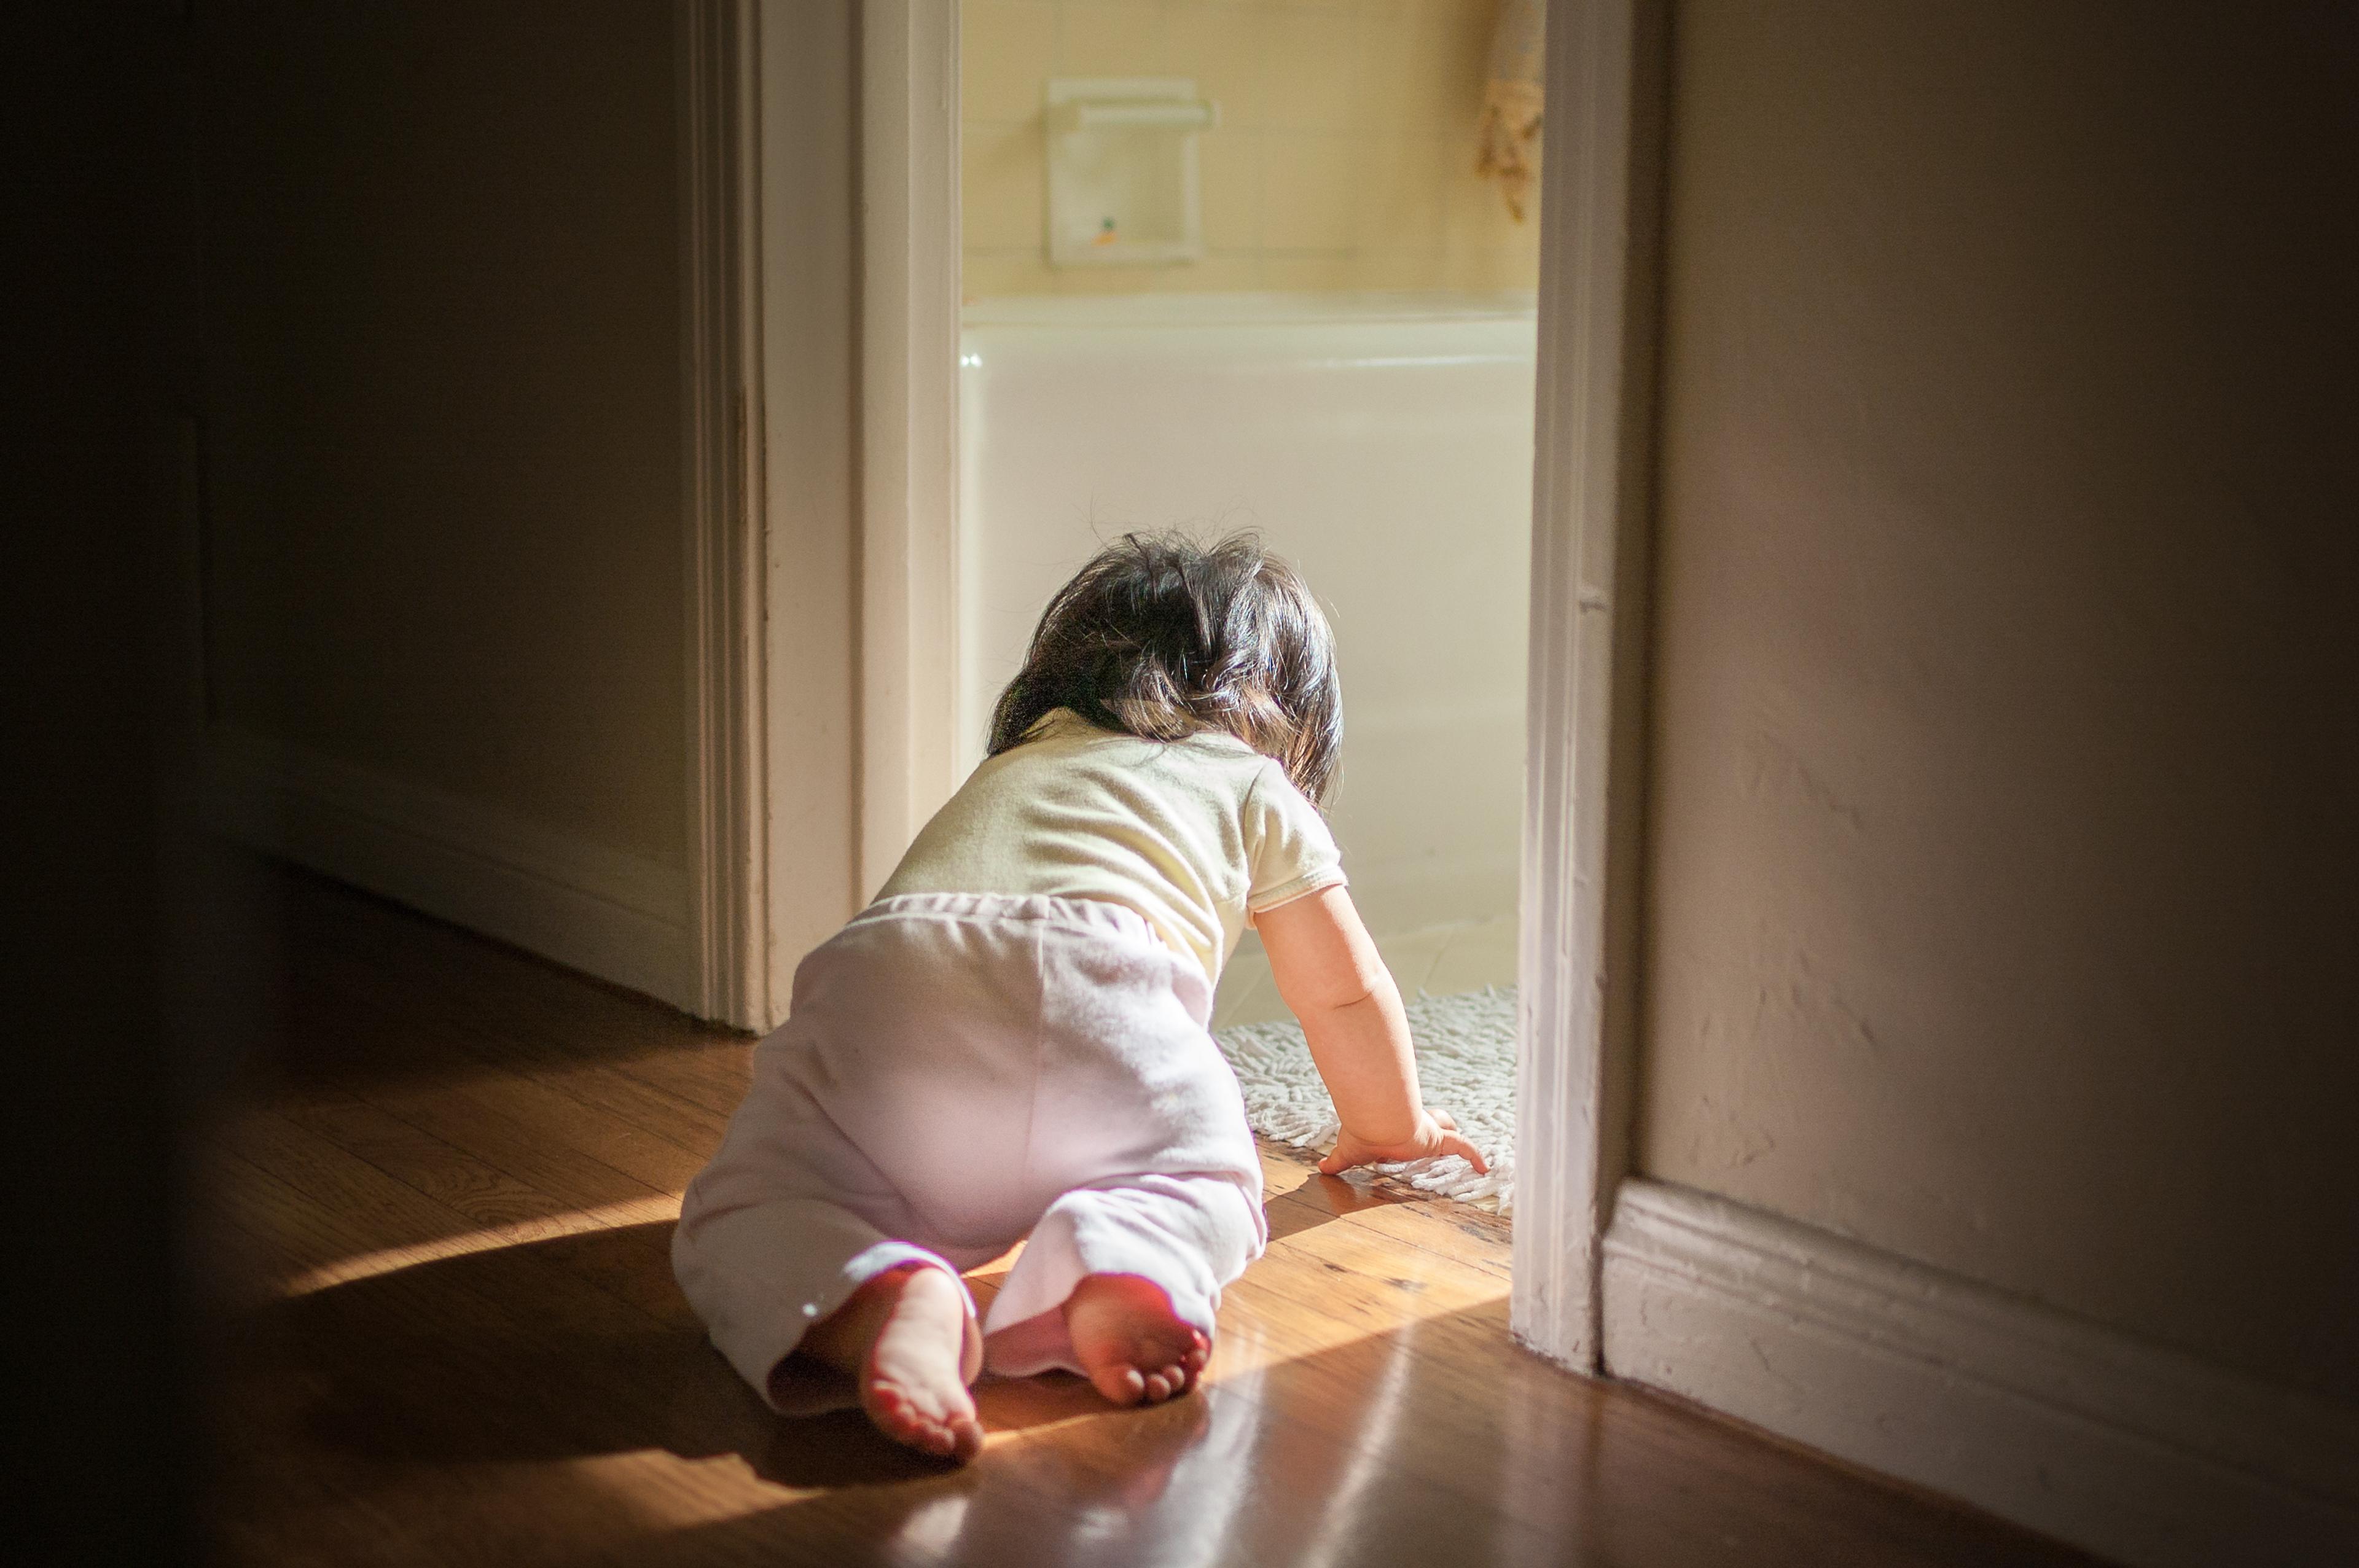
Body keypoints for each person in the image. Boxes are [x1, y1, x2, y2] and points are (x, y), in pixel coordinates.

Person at [673, 532, 1487, 1463]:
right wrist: (1393, 1126)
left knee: (744, 1208)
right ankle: (1125, 1262)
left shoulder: (1018, 763)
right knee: (1208, 1182)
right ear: (1289, 717)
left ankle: (875, 1295)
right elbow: (1345, 994)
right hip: (1110, 1003)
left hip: (893, 990)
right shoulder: (1253, 783)